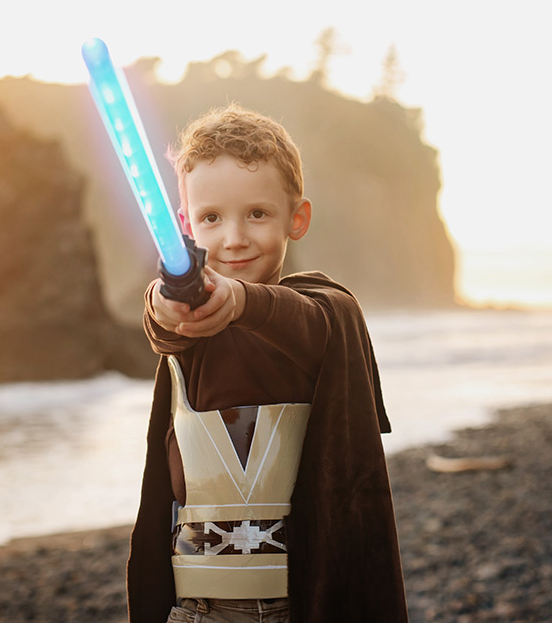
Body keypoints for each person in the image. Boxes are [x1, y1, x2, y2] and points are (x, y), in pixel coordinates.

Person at [126, 105, 408, 622]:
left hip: (295, 605)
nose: (233, 238)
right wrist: (163, 302)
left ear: (295, 219)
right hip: (197, 610)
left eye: (257, 213)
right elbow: (163, 324)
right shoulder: (192, 324)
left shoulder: (320, 310)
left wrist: (241, 302)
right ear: (186, 225)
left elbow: (307, 321)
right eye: (211, 218)